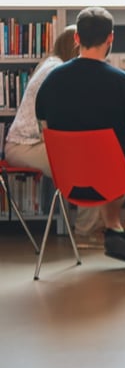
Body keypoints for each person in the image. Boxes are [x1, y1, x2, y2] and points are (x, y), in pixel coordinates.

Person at [35, 6, 125, 267]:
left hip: (68, 178)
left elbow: (47, 131)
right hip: (112, 176)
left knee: (114, 162)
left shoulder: (51, 81)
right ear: (111, 38)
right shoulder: (124, 82)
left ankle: (113, 228)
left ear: (77, 38)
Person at [4, 25, 104, 248]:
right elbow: (60, 118)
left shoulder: (52, 64)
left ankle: (93, 226)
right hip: (24, 146)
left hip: (27, 143)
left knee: (90, 158)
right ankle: (85, 232)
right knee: (90, 165)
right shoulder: (57, 70)